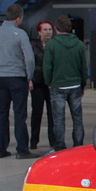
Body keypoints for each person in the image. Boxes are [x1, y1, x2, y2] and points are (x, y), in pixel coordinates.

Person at [0, 3, 37, 159]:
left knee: (1, 113)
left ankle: (0, 149)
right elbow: (29, 58)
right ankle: (22, 149)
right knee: (19, 114)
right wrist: (29, 76)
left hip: (1, 78)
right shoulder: (20, 34)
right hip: (17, 78)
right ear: (18, 19)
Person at [44, 15, 86, 152]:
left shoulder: (51, 45)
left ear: (56, 29)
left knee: (58, 120)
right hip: (75, 85)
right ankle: (78, 145)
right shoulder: (79, 44)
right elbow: (83, 67)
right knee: (77, 118)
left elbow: (47, 67)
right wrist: (83, 84)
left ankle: (60, 147)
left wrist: (49, 82)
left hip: (58, 86)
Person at [29, 20, 56, 150]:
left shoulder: (55, 45)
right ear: (39, 32)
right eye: (45, 30)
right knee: (37, 113)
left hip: (51, 83)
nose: (48, 32)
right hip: (37, 83)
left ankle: (53, 140)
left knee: (53, 113)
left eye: (50, 29)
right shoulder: (33, 45)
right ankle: (34, 140)